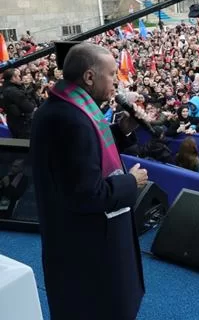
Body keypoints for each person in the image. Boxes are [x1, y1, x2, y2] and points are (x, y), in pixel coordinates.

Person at [29, 42, 148, 320]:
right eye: (111, 74)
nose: (116, 81)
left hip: (71, 241)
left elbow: (83, 155)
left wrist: (120, 131)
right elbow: (86, 194)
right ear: (90, 77)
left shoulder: (64, 107)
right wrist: (131, 182)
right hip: (88, 251)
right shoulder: (72, 120)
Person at [0, 68, 37, 138]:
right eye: (18, 76)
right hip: (23, 125)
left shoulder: (3, 89)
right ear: (13, 78)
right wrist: (31, 100)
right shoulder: (14, 92)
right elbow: (29, 107)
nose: (20, 78)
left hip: (12, 122)